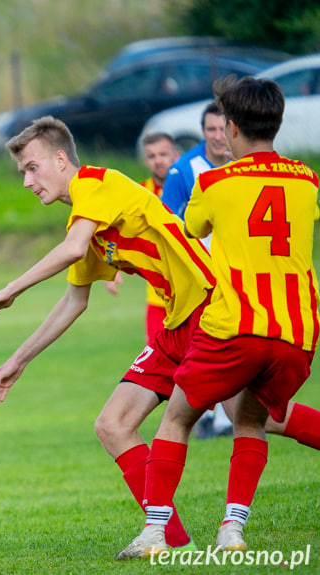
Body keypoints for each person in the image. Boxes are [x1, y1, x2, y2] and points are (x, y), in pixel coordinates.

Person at [0, 114, 320, 554]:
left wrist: (10, 289)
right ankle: (169, 539)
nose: (26, 181)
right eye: (22, 172)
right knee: (115, 424)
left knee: (254, 416)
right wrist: (16, 360)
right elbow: (74, 302)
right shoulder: (86, 222)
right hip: (178, 323)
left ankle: (164, 535)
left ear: (61, 160)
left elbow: (73, 250)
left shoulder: (99, 183)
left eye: (32, 168)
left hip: (210, 311)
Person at [117, 76, 320, 559]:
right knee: (250, 421)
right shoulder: (307, 179)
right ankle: (232, 529)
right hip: (296, 331)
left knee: (176, 418)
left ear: (229, 127)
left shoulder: (213, 181)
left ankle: (154, 532)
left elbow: (191, 230)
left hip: (236, 326)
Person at [162, 105, 233, 439]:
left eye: (222, 129)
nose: (218, 138)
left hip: (237, 270)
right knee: (207, 344)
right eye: (210, 131)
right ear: (202, 131)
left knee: (232, 342)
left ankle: (220, 416)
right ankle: (208, 414)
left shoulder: (242, 164)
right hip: (201, 276)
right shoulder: (184, 170)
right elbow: (167, 225)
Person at [138, 132, 179, 343]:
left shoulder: (191, 187)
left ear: (176, 155)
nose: (158, 160)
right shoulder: (140, 193)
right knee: (155, 359)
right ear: (146, 161)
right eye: (152, 156)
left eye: (163, 154)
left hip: (190, 293)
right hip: (157, 296)